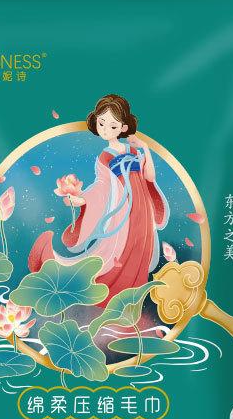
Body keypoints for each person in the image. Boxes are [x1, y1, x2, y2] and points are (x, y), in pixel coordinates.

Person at [28, 94, 169, 305]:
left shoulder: (133, 150)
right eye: (102, 123)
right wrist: (83, 200)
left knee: (140, 249)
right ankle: (110, 296)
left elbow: (149, 177)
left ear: (123, 128)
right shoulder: (105, 156)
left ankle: (132, 300)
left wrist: (145, 148)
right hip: (124, 212)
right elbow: (102, 187)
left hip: (141, 209)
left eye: (112, 126)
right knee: (119, 253)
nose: (105, 129)